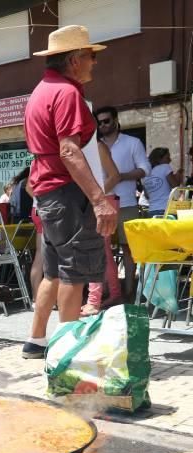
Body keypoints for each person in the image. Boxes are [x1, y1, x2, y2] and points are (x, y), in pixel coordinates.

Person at [21, 25, 117, 359]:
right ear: (75, 60)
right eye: (90, 56)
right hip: (66, 194)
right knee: (74, 275)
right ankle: (67, 355)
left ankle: (36, 340)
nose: (94, 62)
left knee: (54, 272)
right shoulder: (67, 92)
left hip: (49, 193)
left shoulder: (41, 91)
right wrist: (99, 199)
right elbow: (69, 151)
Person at [95, 105, 150, 299]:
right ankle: (107, 292)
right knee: (102, 250)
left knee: (128, 249)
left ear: (116, 120)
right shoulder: (94, 145)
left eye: (106, 121)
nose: (103, 125)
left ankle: (129, 290)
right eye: (99, 122)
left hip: (126, 202)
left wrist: (120, 176)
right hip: (102, 204)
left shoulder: (132, 143)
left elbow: (145, 169)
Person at [81, 141, 124, 316]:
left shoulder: (97, 146)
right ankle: (113, 294)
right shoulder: (86, 146)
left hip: (102, 202)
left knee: (96, 251)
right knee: (102, 251)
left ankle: (94, 300)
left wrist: (94, 195)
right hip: (99, 201)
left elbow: (115, 176)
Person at [144, 147, 183, 217]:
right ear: (159, 159)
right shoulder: (165, 167)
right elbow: (175, 185)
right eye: (167, 158)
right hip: (165, 209)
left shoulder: (146, 173)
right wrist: (178, 175)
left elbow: (147, 195)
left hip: (152, 210)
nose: (170, 160)